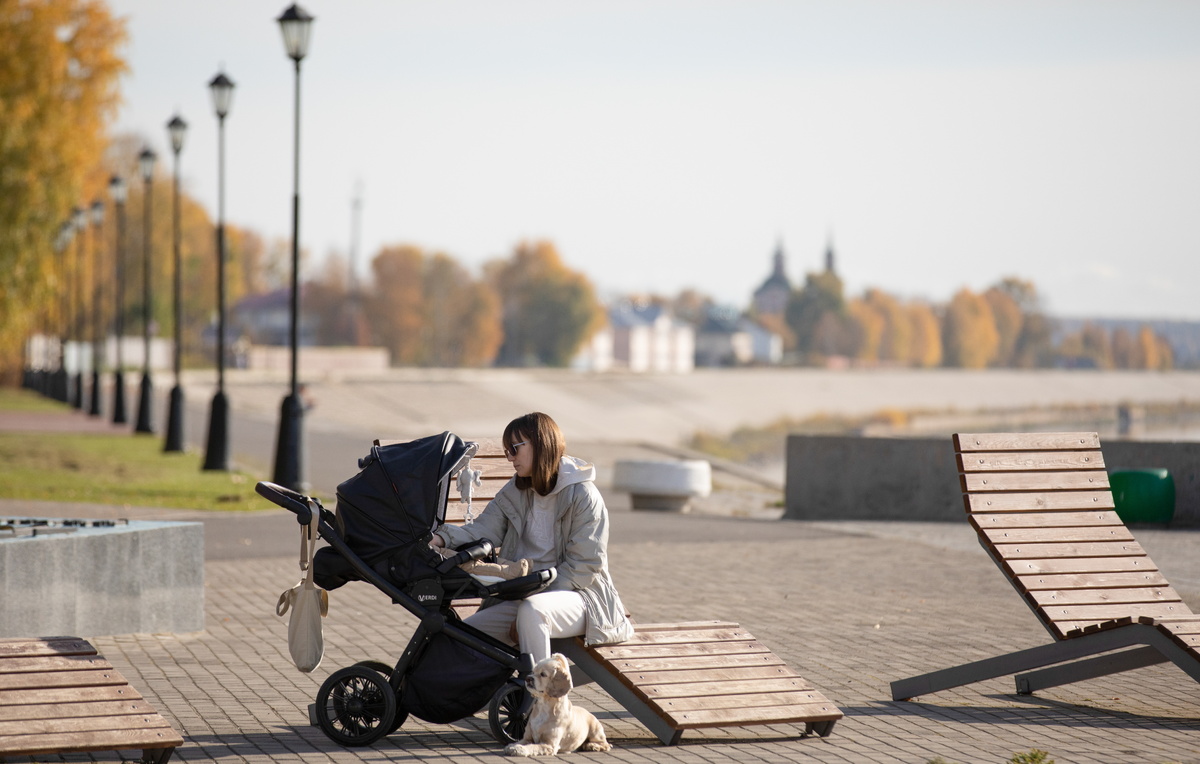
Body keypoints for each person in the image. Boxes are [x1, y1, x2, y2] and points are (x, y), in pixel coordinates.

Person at [430, 412, 633, 664]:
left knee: (532, 613)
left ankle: (541, 697)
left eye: (514, 449)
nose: (510, 458)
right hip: (523, 594)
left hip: (581, 597)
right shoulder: (516, 490)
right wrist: (441, 538)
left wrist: (534, 598)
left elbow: (584, 566)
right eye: (507, 452)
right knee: (458, 637)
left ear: (541, 443)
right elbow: (482, 530)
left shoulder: (583, 495)